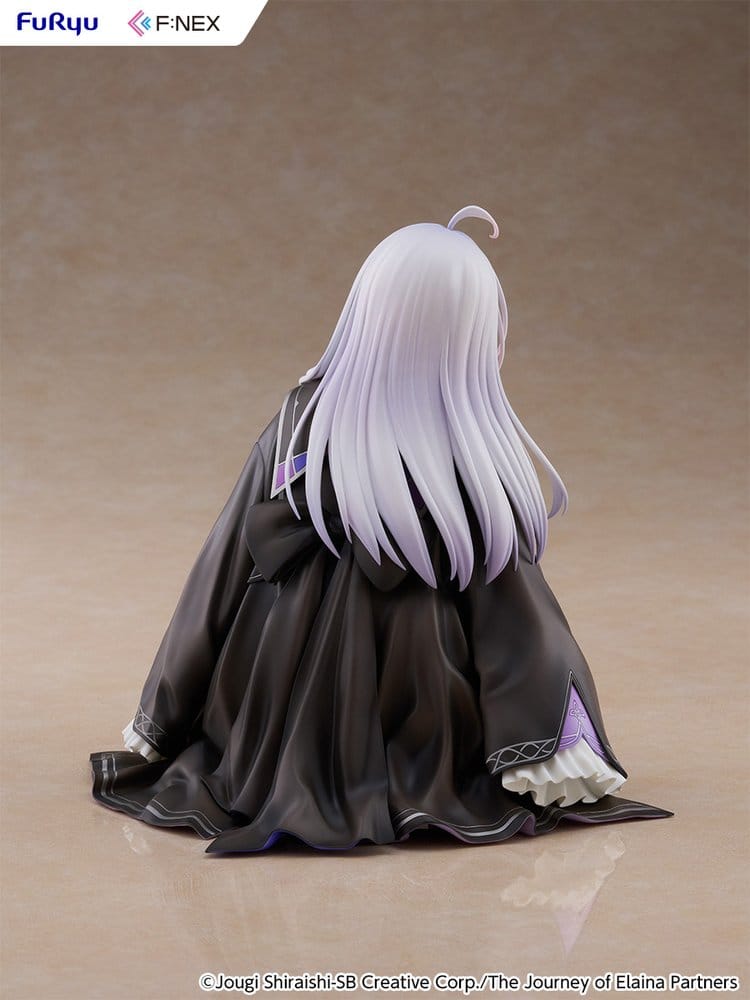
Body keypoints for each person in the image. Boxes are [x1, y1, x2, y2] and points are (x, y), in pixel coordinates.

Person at [90, 206, 672, 852]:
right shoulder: (369, 429)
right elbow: (516, 614)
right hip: (365, 694)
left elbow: (223, 566)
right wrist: (547, 739)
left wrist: (166, 708)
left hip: (333, 691)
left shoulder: (326, 419)